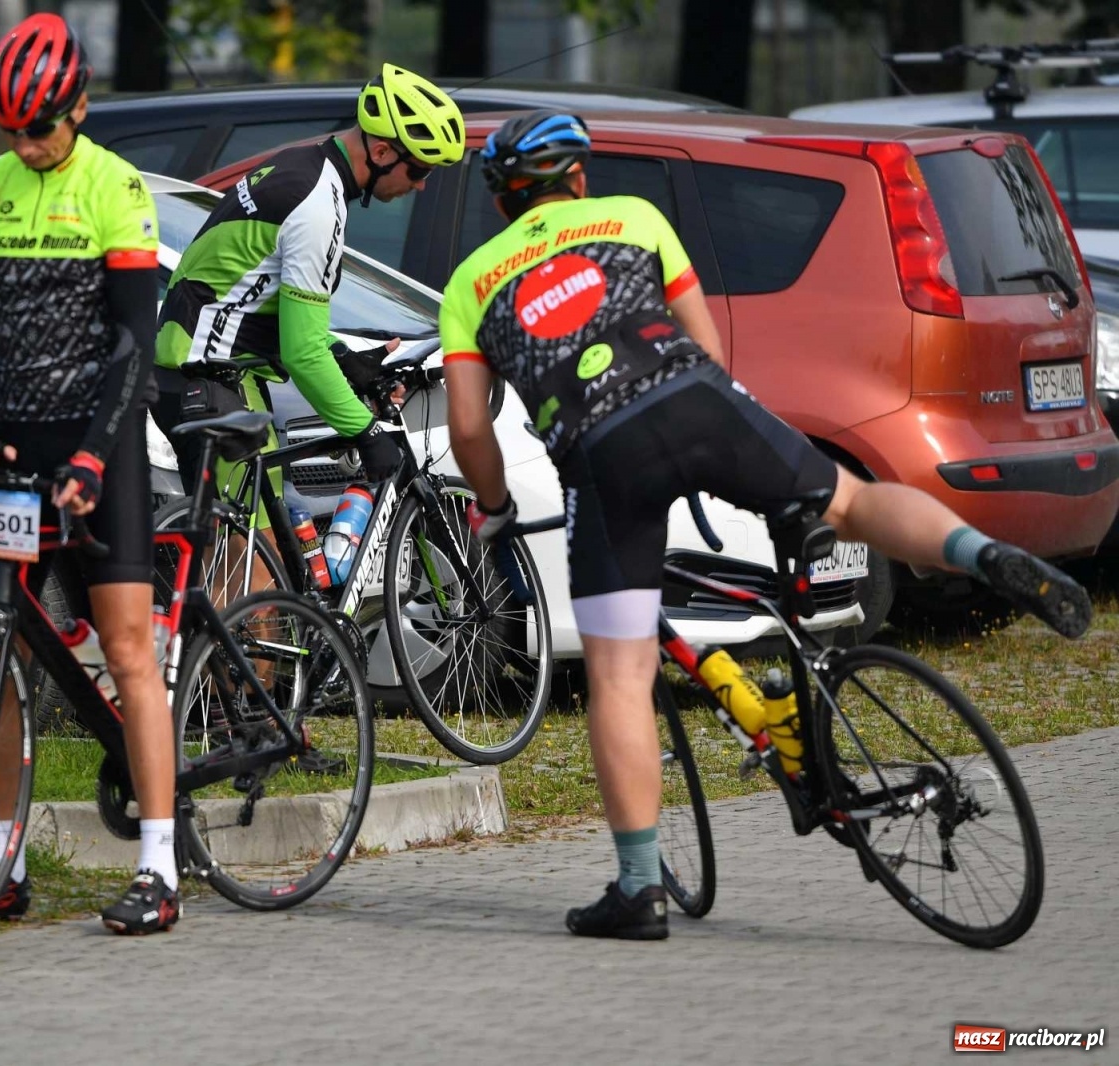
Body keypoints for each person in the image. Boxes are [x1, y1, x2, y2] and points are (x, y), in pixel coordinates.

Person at [440, 110, 1092, 942]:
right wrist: (718, 447)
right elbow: (706, 344)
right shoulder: (636, 219)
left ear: (502, 204)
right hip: (695, 399)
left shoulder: (470, 283)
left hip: (603, 456)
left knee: (618, 677)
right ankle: (982, 550)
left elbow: (468, 430)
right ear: (578, 179)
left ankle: (640, 888)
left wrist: (493, 508)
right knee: (850, 500)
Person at [0, 13, 180, 935]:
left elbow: (130, 350)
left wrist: (90, 454)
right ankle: (6, 863)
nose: (27, 146)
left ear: (77, 107)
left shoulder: (115, 188)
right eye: (11, 133)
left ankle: (159, 867)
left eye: (40, 128)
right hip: (18, 442)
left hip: (99, 440)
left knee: (126, 652)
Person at [152, 63, 465, 527]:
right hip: (208, 376)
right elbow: (300, 352)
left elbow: (253, 292)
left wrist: (342, 357)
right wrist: (365, 432)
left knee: (266, 551)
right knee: (248, 563)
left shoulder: (303, 167)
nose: (420, 185)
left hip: (205, 369)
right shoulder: (317, 203)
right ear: (381, 152)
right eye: (419, 170)